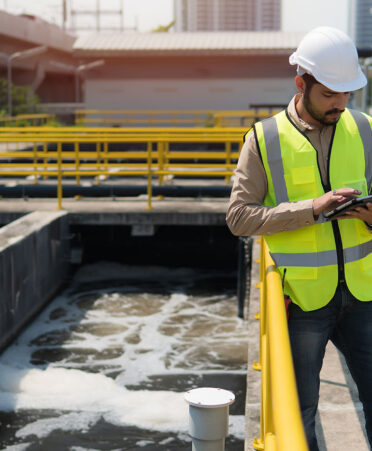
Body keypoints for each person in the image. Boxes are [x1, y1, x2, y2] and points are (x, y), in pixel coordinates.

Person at [226, 26, 372, 451]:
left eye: (346, 94)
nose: (339, 104)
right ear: (300, 83)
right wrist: (313, 208)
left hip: (364, 294)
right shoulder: (264, 139)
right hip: (303, 301)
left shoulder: (365, 129)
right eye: (329, 94)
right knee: (299, 411)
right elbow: (238, 217)